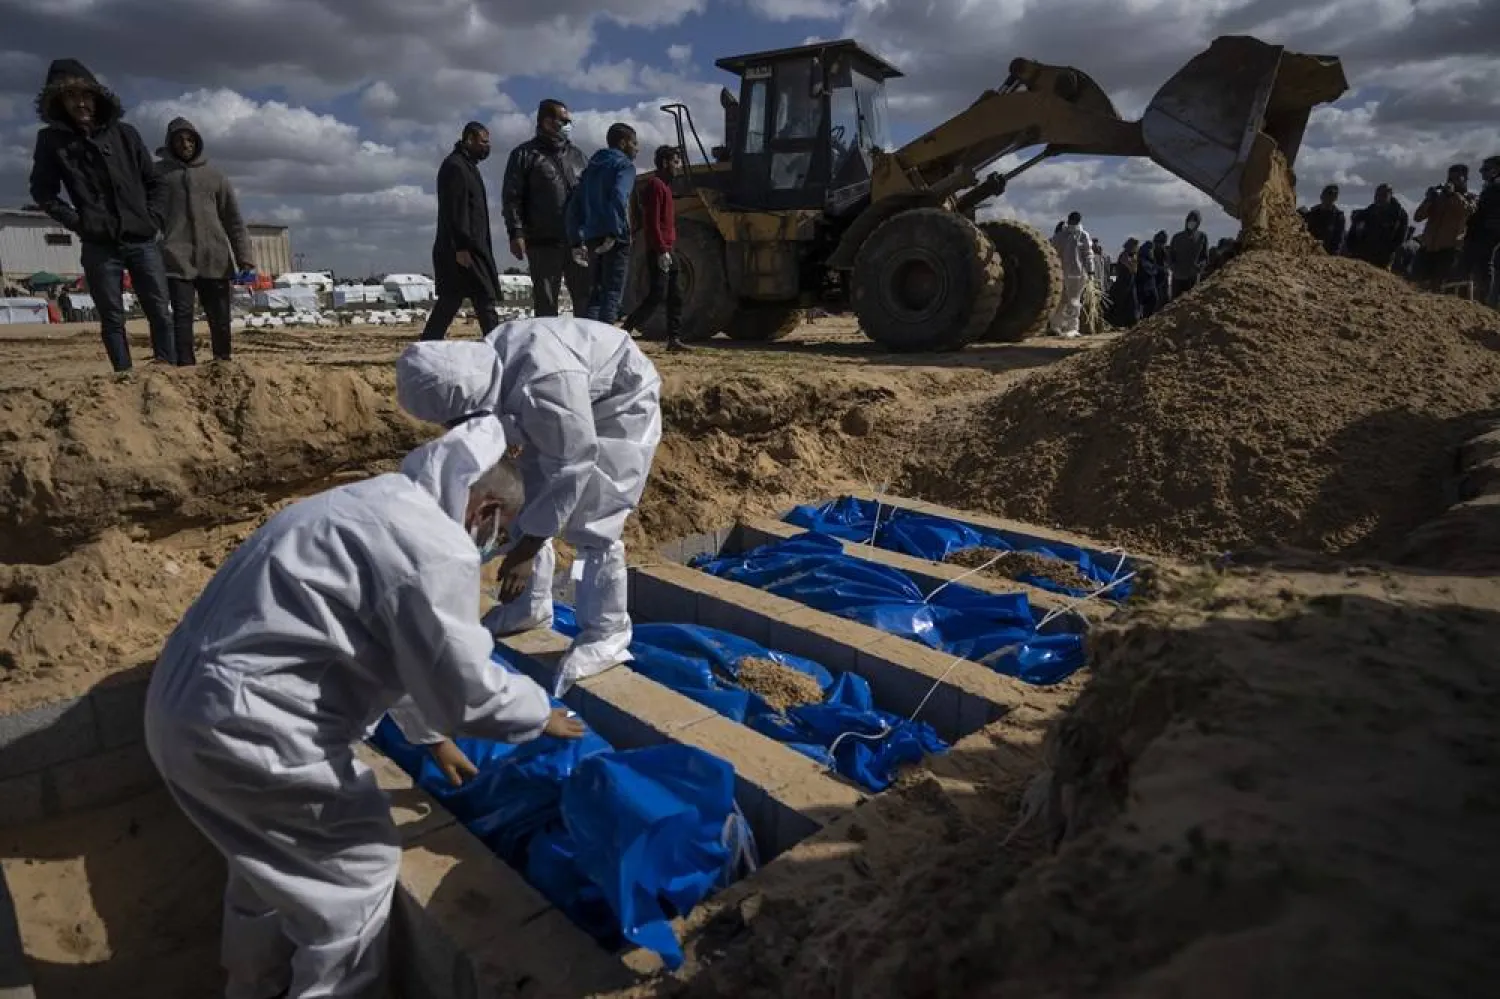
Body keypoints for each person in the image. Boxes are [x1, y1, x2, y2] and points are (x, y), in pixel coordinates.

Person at [144, 415, 585, 998]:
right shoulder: (433, 545)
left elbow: (386, 637)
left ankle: (256, 988)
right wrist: (539, 712)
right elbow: (465, 687)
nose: (490, 549)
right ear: (484, 513)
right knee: (355, 878)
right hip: (252, 730)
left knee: (267, 872)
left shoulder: (369, 503)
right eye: (499, 538)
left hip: (185, 709)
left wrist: (429, 737)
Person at [395, 315, 662, 696]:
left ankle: (607, 631)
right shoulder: (486, 367)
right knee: (531, 496)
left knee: (593, 524)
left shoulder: (545, 382)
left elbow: (574, 461)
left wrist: (527, 548)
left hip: (619, 400)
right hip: (566, 402)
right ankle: (530, 606)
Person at [28, 58, 175, 374]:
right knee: (111, 317)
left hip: (141, 236)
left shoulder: (126, 134)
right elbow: (42, 192)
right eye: (71, 97)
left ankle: (168, 368)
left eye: (86, 96)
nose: (80, 103)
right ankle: (124, 376)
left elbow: (156, 182)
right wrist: (79, 222)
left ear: (97, 98)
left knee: (160, 310)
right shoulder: (52, 141)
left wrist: (154, 219)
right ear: (59, 102)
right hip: (99, 242)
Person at [156, 117, 254, 364]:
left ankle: (223, 362)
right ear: (170, 144)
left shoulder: (215, 177)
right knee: (182, 315)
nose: (185, 144)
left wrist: (245, 258)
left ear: (197, 142)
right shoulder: (159, 175)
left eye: (189, 139)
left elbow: (233, 220)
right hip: (177, 258)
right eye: (178, 140)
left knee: (219, 316)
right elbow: (149, 214)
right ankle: (185, 366)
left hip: (215, 257)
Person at [502, 99, 590, 317]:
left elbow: (588, 196)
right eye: (564, 120)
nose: (568, 125)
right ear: (548, 122)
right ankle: (546, 348)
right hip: (543, 242)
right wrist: (516, 232)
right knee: (546, 303)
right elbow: (512, 198)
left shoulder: (578, 156)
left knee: (585, 299)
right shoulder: (524, 155)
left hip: (577, 242)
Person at [421, 122, 501, 340]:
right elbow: (455, 210)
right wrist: (462, 246)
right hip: (464, 249)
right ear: (469, 140)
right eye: (483, 141)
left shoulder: (467, 166)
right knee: (479, 299)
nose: (487, 146)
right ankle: (498, 346)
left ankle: (429, 342)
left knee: (458, 299)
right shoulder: (456, 167)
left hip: (468, 247)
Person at [567, 123, 639, 325]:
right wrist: (615, 231)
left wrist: (574, 239)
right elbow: (619, 196)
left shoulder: (591, 168)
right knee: (613, 294)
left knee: (595, 294)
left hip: (591, 237)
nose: (637, 148)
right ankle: (607, 346)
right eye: (634, 143)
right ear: (623, 143)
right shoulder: (624, 167)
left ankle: (592, 340)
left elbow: (575, 205)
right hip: (615, 237)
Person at [621, 145, 687, 350]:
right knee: (657, 294)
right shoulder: (655, 186)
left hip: (669, 248)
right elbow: (652, 222)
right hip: (660, 250)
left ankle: (674, 339)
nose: (679, 166)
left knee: (676, 294)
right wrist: (660, 250)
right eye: (676, 162)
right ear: (665, 163)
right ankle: (626, 329)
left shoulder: (665, 187)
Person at [1414, 164, 1477, 291]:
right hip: (1428, 247)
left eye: (1456, 178)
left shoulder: (1470, 197)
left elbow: (1467, 211)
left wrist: (1453, 195)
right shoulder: (1439, 197)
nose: (1451, 181)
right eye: (1450, 178)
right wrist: (1429, 200)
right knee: (1417, 283)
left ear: (1464, 179)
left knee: (1439, 286)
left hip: (1449, 249)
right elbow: (1418, 217)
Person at [1047, 211, 1093, 338]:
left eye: (1074, 220)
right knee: (1061, 300)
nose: (1071, 222)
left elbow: (1088, 254)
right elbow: (1052, 250)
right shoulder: (1061, 236)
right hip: (1062, 272)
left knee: (1073, 301)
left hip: (1077, 274)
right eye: (1070, 220)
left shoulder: (1083, 235)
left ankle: (1071, 328)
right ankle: (1056, 326)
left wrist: (1091, 271)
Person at [1465, 156, 1500, 308]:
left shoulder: (1496, 187)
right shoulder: (1490, 187)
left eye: (1486, 169)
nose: (1481, 172)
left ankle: (1485, 301)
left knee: (1486, 263)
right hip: (1483, 231)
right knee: (1479, 263)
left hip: (1491, 231)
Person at [1347, 184, 1409, 270]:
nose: (1379, 198)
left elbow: (1400, 238)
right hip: (1363, 254)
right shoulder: (1369, 211)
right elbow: (1355, 230)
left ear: (1390, 195)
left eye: (1383, 195)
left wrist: (1389, 250)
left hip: (1383, 258)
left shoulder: (1399, 215)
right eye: (1377, 195)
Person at [1167, 210, 1209, 297]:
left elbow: (1205, 256)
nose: (1192, 223)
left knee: (1190, 301)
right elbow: (1170, 256)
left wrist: (1199, 266)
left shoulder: (1202, 237)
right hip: (1178, 276)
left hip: (1192, 276)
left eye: (1194, 221)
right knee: (1175, 302)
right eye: (1190, 220)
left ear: (1198, 223)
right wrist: (1173, 267)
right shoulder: (1177, 237)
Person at [1106, 238, 1140, 328]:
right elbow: (1132, 268)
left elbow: (1134, 269)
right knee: (1121, 302)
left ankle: (1131, 323)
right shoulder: (1124, 255)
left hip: (1130, 283)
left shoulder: (1132, 256)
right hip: (1123, 283)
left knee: (1132, 303)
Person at [1303, 185, 1346, 255]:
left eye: (1334, 195)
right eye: (1329, 194)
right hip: (1309, 251)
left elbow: (1339, 239)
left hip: (1327, 254)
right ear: (1322, 196)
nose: (1330, 198)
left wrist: (1333, 255)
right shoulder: (1312, 213)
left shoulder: (1338, 216)